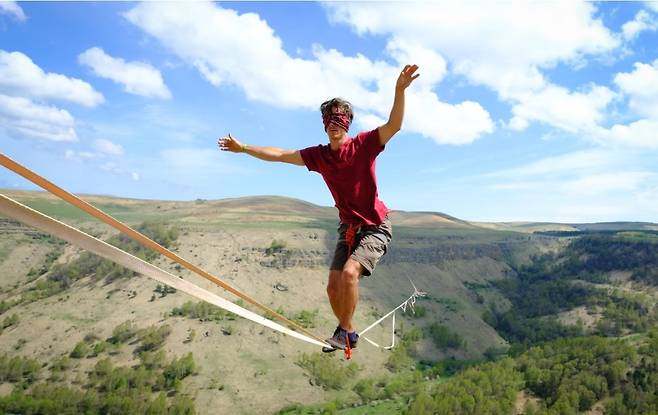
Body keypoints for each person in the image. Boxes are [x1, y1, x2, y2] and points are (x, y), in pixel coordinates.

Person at [218, 64, 420, 352]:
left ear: (348, 123)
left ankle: (345, 331)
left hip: (375, 225)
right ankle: (346, 332)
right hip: (348, 229)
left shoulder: (363, 145)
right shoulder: (320, 156)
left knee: (350, 274)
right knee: (332, 287)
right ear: (325, 124)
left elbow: (394, 126)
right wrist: (244, 148)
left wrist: (399, 91)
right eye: (330, 121)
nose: (334, 125)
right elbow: (281, 155)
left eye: (339, 121)